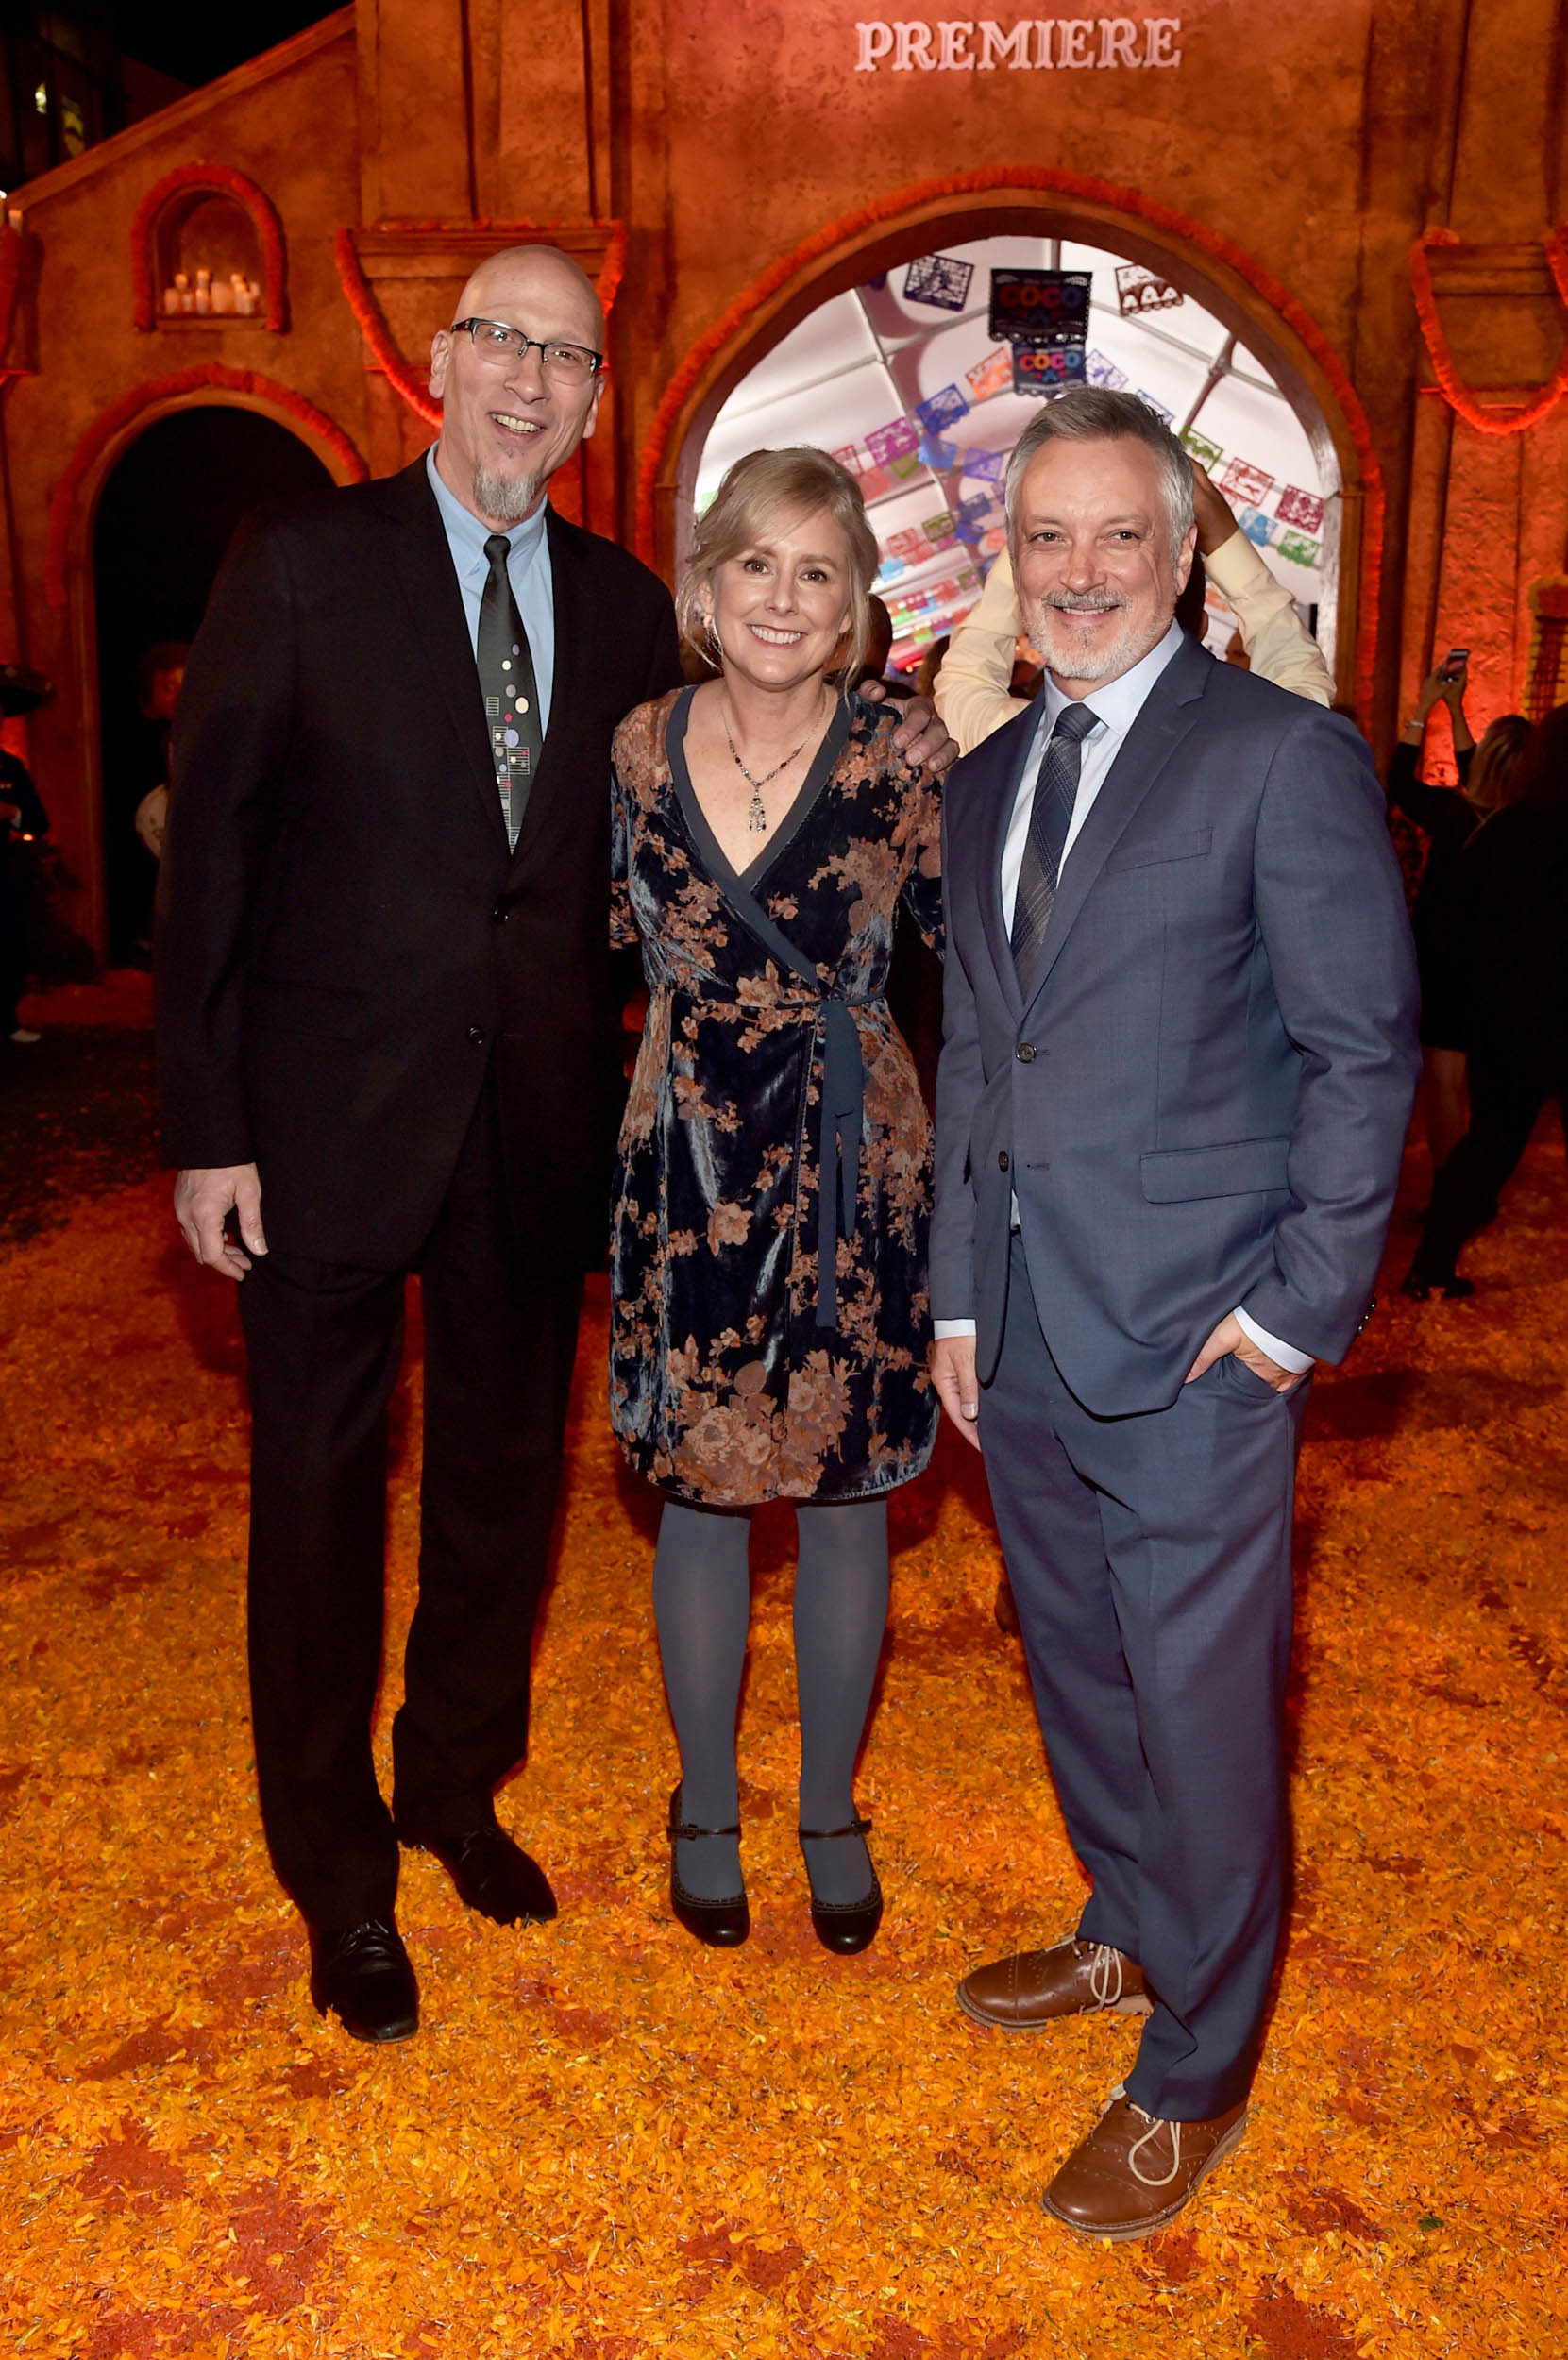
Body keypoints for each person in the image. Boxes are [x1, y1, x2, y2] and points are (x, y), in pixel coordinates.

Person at [158, 243, 953, 2047]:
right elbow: (208, 856)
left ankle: (452, 1788)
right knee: (318, 1498)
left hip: (534, 1126)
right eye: (502, 342)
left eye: (568, 358)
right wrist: (206, 1127)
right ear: (437, 360)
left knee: (500, 1491)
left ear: (596, 403)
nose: (529, 380)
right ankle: (337, 1875)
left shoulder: (619, 612)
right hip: (320, 1123)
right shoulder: (300, 562)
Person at [928, 388, 1418, 2239]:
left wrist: (1294, 1311)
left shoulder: (1278, 757)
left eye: (1115, 534)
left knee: (1203, 1712)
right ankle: (1127, 1922)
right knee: (1077, 1667)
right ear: (1009, 560)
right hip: (1022, 1328)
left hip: (1203, 1335)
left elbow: (1362, 1049)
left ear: (1182, 551)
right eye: (1044, 537)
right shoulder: (985, 774)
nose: (1079, 572)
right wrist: (955, 1295)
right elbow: (978, 1054)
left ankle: (1195, 2069)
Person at [609, 447, 942, 1955]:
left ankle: (826, 1806)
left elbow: (974, 945)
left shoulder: (904, 756)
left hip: (849, 1157)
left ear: (858, 602)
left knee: (845, 1492)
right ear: (705, 586)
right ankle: (701, 1802)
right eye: (757, 562)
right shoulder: (636, 748)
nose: (784, 597)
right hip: (686, 1153)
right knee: (702, 1490)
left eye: (819, 571)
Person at [935, 453, 1332, 753]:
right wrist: (1222, 536)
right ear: (1202, 628)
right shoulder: (1248, 742)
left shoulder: (1004, 740)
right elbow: (1299, 680)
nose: (1080, 576)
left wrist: (1042, 533)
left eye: (1121, 535)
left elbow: (967, 673)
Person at [1402, 702, 1566, 1301]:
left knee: (1488, 1144)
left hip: (1511, 1015)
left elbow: (1471, 925)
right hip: (1539, 1009)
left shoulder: (1501, 829)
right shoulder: (1505, 827)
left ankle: (1430, 1265)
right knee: (1490, 1145)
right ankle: (1432, 1261)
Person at [1388, 670, 1532, 1173]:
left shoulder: (1452, 816)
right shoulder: (1528, 826)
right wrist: (1453, 706)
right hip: (1504, 967)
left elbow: (1400, 781)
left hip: (1448, 964)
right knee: (1490, 1087)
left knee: (1445, 1081)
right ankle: (1478, 1188)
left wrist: (1423, 709)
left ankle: (1450, 1189)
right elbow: (1488, 771)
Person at [1, 740, 50, 1046]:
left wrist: (12, 812)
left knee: (8, 943)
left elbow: (39, 821)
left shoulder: (10, 767)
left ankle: (6, 1021)